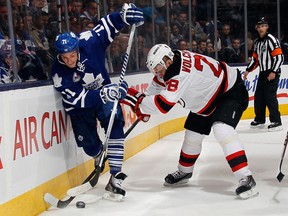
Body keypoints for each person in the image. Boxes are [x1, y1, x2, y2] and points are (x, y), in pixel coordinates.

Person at [122, 44, 258, 199]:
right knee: (192, 135)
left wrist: (139, 103)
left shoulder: (179, 72)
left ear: (167, 60)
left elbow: (163, 105)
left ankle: (246, 177)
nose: (157, 73)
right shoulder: (170, 63)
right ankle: (185, 171)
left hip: (229, 91)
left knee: (222, 129)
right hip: (206, 98)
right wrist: (144, 106)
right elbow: (153, 91)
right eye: (155, 70)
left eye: (159, 68)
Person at [51, 3, 144, 201]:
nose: (70, 61)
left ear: (78, 47)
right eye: (65, 58)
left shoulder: (89, 41)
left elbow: (107, 25)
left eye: (73, 55)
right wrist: (104, 93)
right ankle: (98, 153)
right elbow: (77, 100)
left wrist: (124, 17)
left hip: (104, 98)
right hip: (80, 108)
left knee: (115, 120)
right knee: (91, 147)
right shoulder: (58, 73)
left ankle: (115, 177)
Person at [243, 17, 284, 131]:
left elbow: (279, 57)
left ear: (267, 27)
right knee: (259, 97)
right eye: (259, 26)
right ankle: (260, 120)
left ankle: (276, 121)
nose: (261, 28)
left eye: (263, 26)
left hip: (272, 72)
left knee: (270, 97)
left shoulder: (271, 39)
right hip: (263, 72)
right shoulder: (257, 42)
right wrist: (248, 70)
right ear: (257, 28)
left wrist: (274, 71)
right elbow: (255, 59)